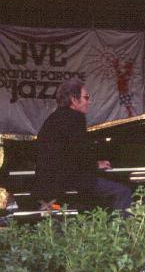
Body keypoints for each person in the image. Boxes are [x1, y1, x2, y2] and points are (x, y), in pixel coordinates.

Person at [32, 78, 132, 210]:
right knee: (123, 192)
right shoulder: (75, 118)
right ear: (74, 100)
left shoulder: (54, 118)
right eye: (86, 97)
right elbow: (80, 153)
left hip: (49, 181)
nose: (89, 102)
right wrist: (96, 164)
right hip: (66, 181)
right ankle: (119, 229)